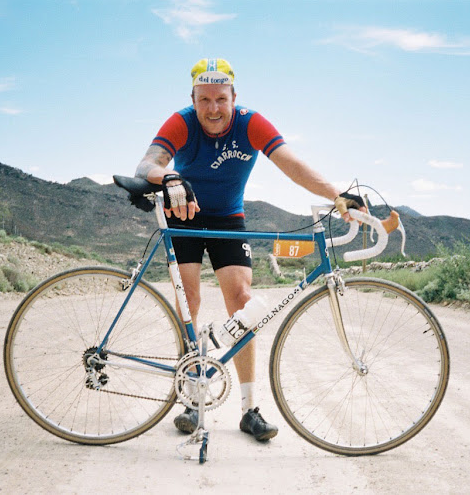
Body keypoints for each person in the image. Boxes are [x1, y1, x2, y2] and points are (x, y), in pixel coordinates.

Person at [134, 58, 363, 442]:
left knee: (242, 302)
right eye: (203, 99)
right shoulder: (182, 121)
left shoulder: (251, 123)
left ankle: (248, 409)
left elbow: (291, 164)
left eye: (220, 99)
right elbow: (146, 165)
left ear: (234, 97)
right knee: (187, 300)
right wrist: (169, 176)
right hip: (184, 215)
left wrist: (335, 194)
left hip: (227, 217)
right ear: (192, 98)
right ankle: (192, 397)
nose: (212, 108)